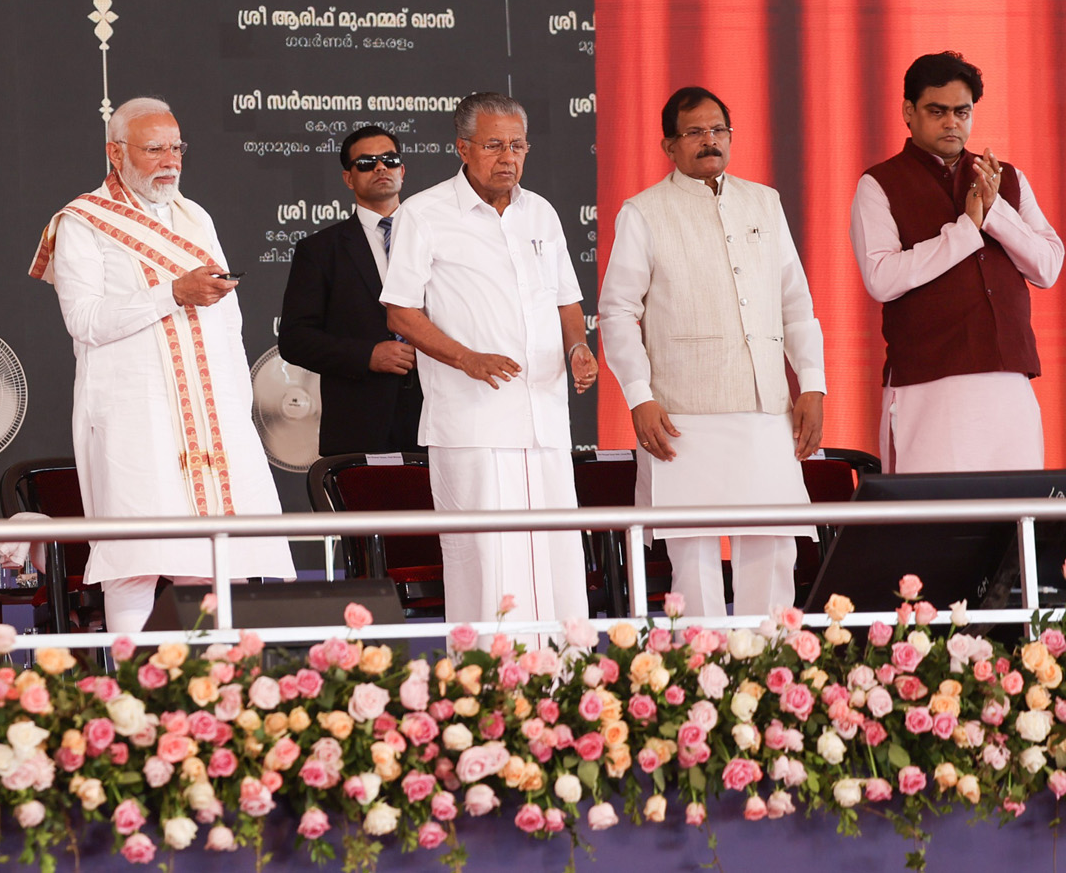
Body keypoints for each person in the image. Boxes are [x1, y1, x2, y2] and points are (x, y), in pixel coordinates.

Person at [30, 97, 293, 634]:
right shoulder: (82, 222)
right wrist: (171, 293)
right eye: (155, 149)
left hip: (213, 415)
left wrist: (235, 405)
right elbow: (85, 320)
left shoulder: (196, 216)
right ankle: (132, 684)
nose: (171, 161)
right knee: (135, 561)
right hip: (137, 415)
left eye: (177, 147)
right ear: (116, 152)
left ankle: (219, 679)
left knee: (220, 560)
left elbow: (229, 320)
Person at [597, 87, 826, 617]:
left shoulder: (764, 202)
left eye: (719, 130)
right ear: (668, 146)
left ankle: (771, 660)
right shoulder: (644, 212)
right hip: (681, 413)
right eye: (695, 132)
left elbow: (796, 303)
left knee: (773, 548)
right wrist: (639, 396)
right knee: (693, 555)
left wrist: (812, 384)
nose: (710, 141)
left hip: (766, 407)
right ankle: (700, 662)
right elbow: (617, 312)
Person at [380, 91, 595, 626]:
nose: (508, 157)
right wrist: (466, 358)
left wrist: (578, 347)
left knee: (557, 561)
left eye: (518, 146)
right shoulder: (423, 213)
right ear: (463, 148)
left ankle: (564, 670)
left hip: (544, 418)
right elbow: (401, 312)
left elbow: (567, 300)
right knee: (487, 560)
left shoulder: (540, 212)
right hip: (472, 422)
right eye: (494, 145)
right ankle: (488, 674)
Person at [852, 52, 1062, 471]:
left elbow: (1048, 266)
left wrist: (995, 211)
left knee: (1014, 506)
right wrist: (966, 230)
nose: (952, 123)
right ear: (908, 112)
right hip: (928, 387)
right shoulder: (879, 184)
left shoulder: (1007, 179)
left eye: (961, 112)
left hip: (1009, 384)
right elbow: (881, 278)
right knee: (933, 510)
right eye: (938, 111)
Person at [278, 125, 422, 455]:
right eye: (367, 163)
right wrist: (367, 355)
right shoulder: (319, 250)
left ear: (402, 170)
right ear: (348, 178)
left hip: (442, 417)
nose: (381, 167)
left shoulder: (440, 239)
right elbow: (295, 339)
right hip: (361, 422)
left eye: (389, 159)